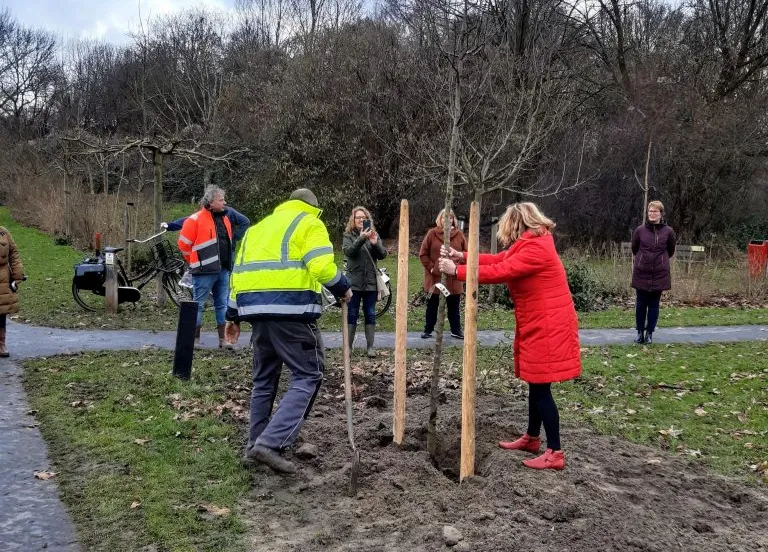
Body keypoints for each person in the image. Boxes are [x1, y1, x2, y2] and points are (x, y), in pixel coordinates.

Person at [438, 202, 581, 470]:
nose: (506, 234)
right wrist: (462, 256)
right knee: (536, 384)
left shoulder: (536, 248)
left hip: (548, 326)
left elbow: (500, 272)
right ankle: (532, 438)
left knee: (540, 387)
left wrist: (456, 271)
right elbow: (498, 260)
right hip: (540, 322)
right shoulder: (531, 242)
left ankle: (555, 452)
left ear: (517, 224)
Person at [225, 188, 352, 474]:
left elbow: (237, 274)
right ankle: (270, 444)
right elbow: (321, 266)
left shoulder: (257, 229)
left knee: (264, 381)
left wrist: (231, 316)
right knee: (309, 374)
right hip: (292, 312)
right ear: (312, 207)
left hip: (256, 315)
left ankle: (253, 446)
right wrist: (343, 287)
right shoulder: (309, 223)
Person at [175, 185, 250, 349]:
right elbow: (183, 245)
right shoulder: (194, 220)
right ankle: (194, 341)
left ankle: (224, 340)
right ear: (210, 202)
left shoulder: (225, 219)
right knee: (199, 305)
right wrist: (194, 261)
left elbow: (228, 242)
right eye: (221, 200)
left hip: (223, 269)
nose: (224, 203)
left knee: (222, 304)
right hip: (203, 271)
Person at [342, 206, 387, 357]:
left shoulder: (373, 234)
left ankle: (370, 347)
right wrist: (361, 238)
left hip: (370, 282)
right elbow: (349, 252)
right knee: (352, 313)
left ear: (368, 220)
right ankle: (348, 347)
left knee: (370, 313)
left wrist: (375, 243)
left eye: (364, 218)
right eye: (358, 218)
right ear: (353, 221)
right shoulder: (348, 235)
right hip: (354, 282)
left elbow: (382, 255)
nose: (361, 220)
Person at [631, 200, 676, 345]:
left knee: (654, 305)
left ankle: (650, 332)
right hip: (641, 272)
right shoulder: (640, 230)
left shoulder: (668, 231)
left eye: (655, 211)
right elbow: (634, 248)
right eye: (650, 211)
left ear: (661, 214)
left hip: (659, 274)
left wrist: (660, 261)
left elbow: (670, 250)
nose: (652, 214)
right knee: (640, 304)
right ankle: (640, 332)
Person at [419, 208, 467, 339]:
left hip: (454, 278)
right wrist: (431, 269)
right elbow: (423, 254)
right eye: (444, 217)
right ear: (439, 220)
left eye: (450, 217)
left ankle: (456, 330)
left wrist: (457, 269)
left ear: (453, 220)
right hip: (435, 278)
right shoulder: (431, 234)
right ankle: (428, 329)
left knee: (454, 307)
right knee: (432, 306)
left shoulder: (459, 235)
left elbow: (466, 255)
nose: (447, 220)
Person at [0, 226, 25, 358]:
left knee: (1, 312)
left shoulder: (3, 232)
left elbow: (14, 254)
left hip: (2, 279)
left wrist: (17, 275)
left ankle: (1, 343)